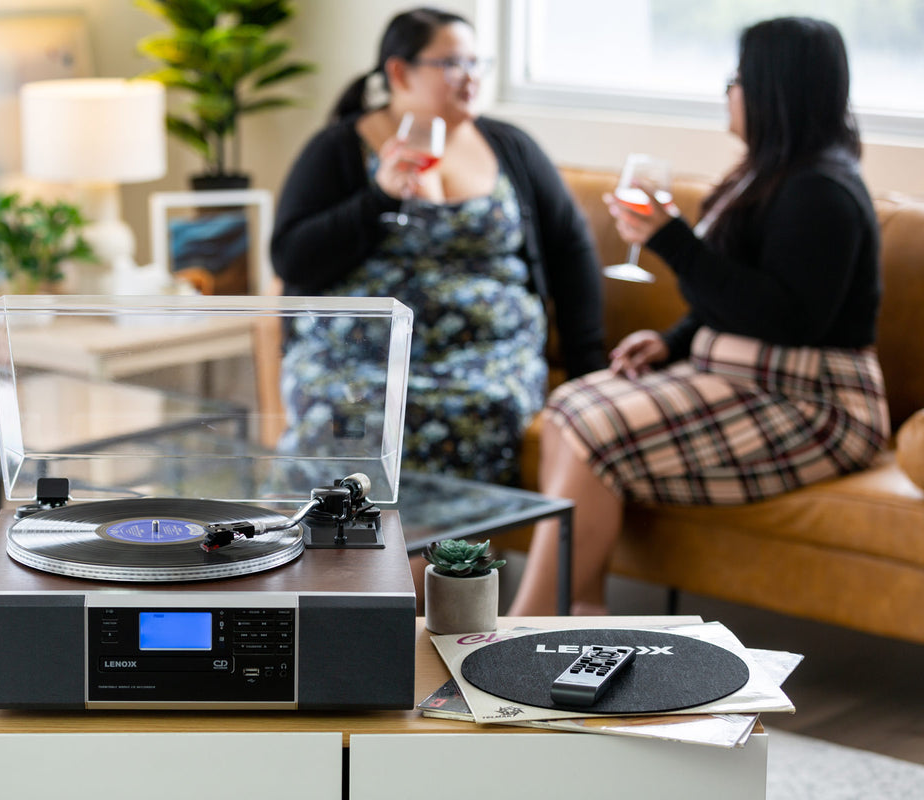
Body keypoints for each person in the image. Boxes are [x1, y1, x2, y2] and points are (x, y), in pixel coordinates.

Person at [508, 16, 890, 615]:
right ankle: (582, 612)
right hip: (741, 376)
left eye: (738, 78)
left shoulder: (822, 191)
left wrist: (672, 241)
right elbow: (739, 298)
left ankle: (526, 625)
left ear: (774, 89)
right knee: (568, 406)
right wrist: (674, 342)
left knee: (592, 429)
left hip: (813, 401)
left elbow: (790, 319)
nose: (728, 91)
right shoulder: (766, 177)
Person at [270, 7, 606, 487]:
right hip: (358, 360)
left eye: (477, 64)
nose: (471, 79)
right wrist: (378, 199)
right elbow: (290, 257)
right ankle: (351, 558)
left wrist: (586, 370)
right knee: (345, 412)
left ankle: (444, 561)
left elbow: (571, 250)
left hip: (486, 360)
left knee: (483, 409)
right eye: (452, 64)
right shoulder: (340, 147)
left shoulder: (510, 146)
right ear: (399, 72)